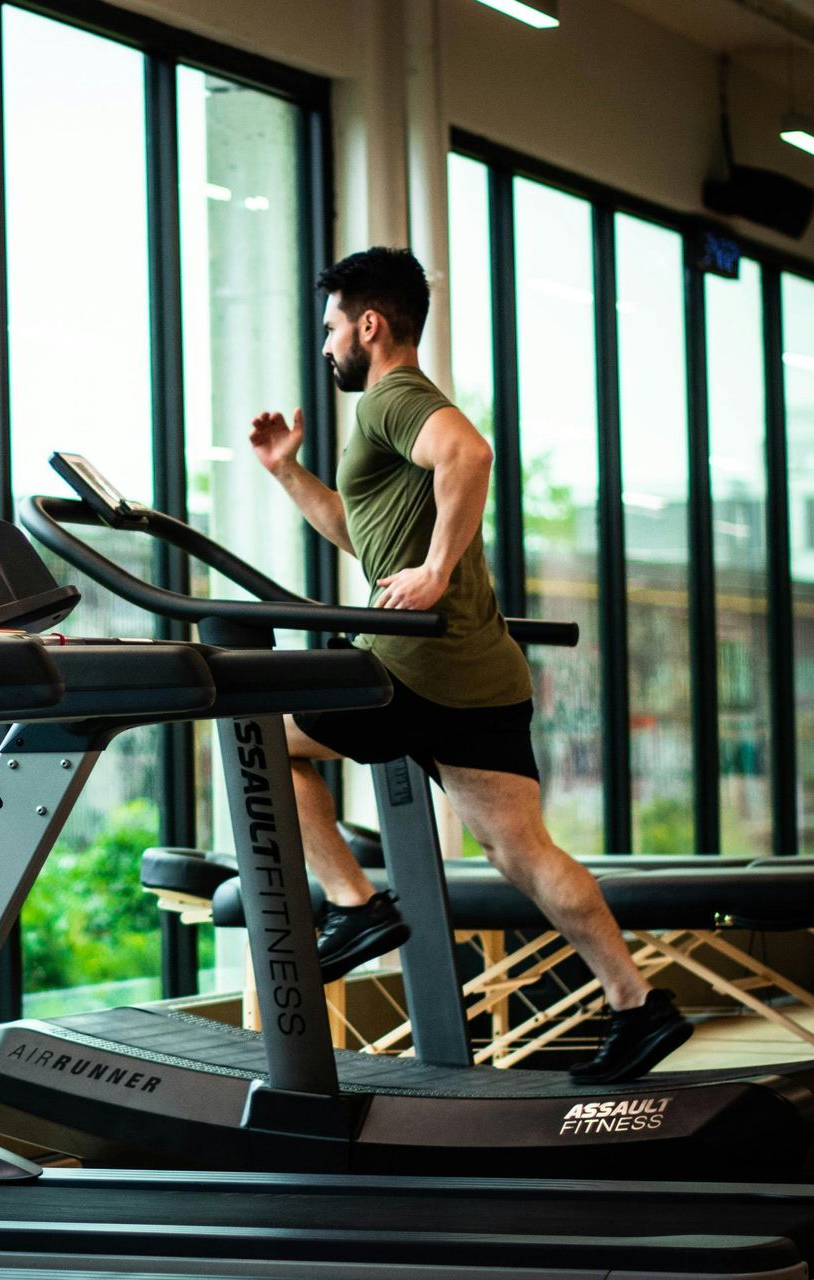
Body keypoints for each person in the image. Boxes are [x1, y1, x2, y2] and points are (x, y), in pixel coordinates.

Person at [249, 246, 691, 1084]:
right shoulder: (395, 414)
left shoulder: (395, 399)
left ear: (368, 325)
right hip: (481, 672)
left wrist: (437, 572)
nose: (327, 345)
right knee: (523, 851)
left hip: (412, 664)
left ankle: (354, 907)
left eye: (331, 328)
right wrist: (288, 473)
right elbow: (363, 535)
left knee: (259, 735)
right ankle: (637, 1004)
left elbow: (472, 456)